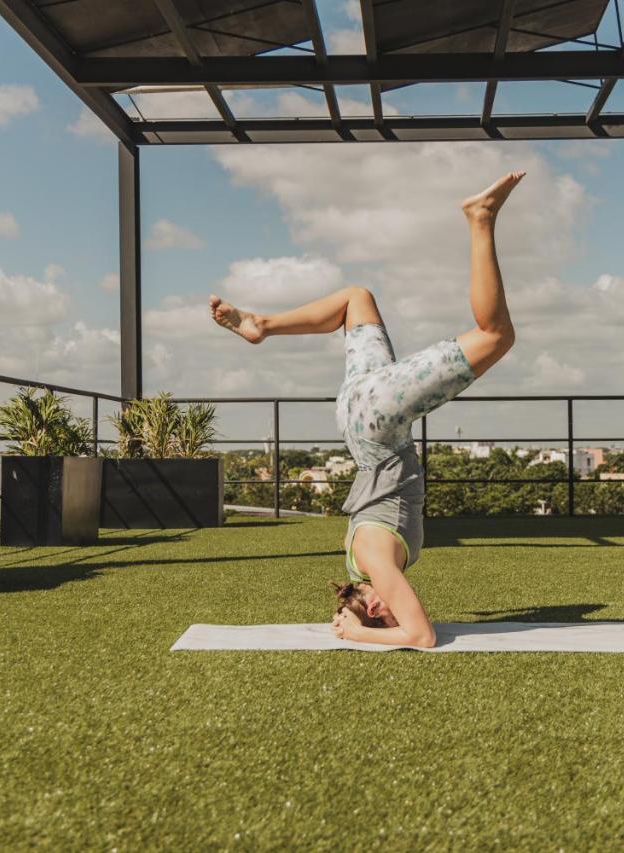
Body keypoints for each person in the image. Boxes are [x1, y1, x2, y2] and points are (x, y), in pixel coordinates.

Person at [209, 171, 524, 647]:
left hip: (378, 420)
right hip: (358, 414)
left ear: (375, 605)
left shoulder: (375, 563)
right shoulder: (360, 560)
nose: (394, 602)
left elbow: (421, 636)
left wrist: (357, 632)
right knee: (356, 297)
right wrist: (351, 616)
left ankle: (480, 219)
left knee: (495, 335)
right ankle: (263, 324)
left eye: (383, 607)